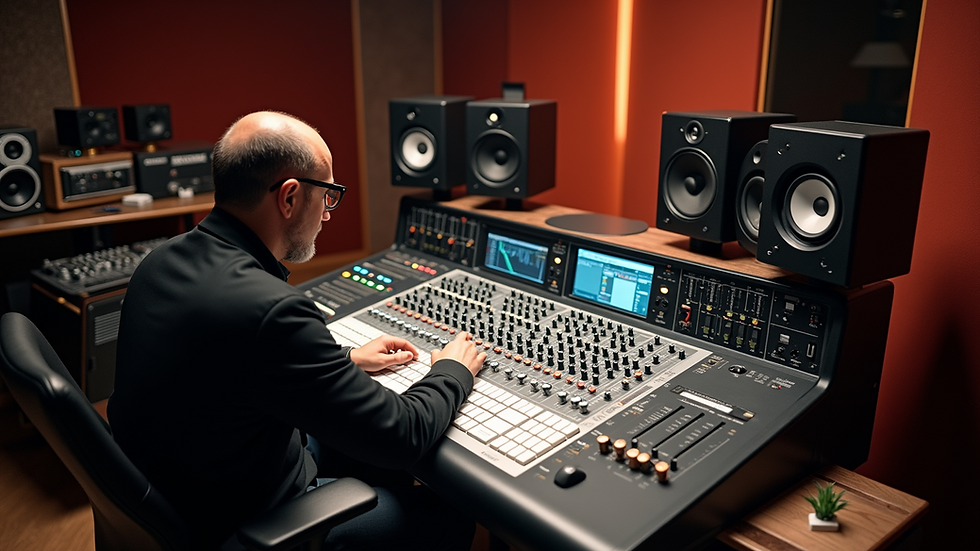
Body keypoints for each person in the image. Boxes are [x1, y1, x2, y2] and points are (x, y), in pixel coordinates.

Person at [108, 111, 486, 550]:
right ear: (289, 197)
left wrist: (345, 360)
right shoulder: (271, 310)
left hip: (189, 494)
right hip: (245, 524)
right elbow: (402, 437)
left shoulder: (159, 263)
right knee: (454, 513)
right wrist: (452, 371)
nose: (328, 213)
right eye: (327, 195)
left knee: (358, 455)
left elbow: (227, 361)